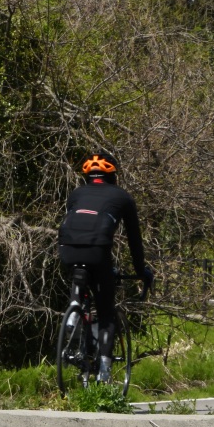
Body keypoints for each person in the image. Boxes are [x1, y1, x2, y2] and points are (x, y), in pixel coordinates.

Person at [58, 149, 153, 383]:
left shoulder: (76, 193)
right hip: (98, 249)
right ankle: (104, 372)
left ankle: (74, 307)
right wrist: (141, 272)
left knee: (80, 273)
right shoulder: (122, 197)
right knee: (106, 312)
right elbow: (134, 241)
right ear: (113, 175)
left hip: (66, 247)